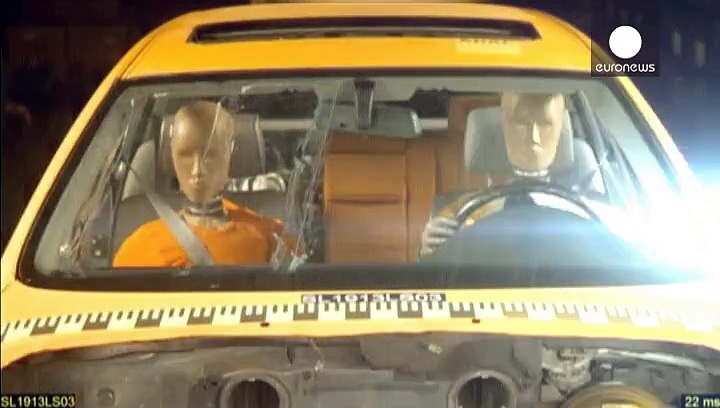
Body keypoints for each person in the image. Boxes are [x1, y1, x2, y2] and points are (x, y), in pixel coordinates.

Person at [419, 92, 623, 257]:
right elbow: (437, 281)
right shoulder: (456, 212)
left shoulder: (598, 216)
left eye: (545, 124)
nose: (533, 136)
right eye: (522, 123)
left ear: (560, 129)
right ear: (504, 128)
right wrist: (429, 251)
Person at [113, 100, 296, 268]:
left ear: (230, 152)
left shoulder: (272, 237)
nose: (197, 170)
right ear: (171, 153)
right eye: (185, 155)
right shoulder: (142, 245)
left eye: (210, 155)